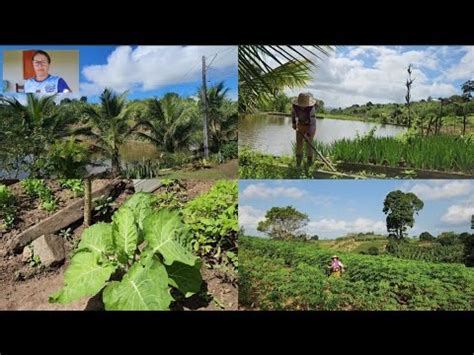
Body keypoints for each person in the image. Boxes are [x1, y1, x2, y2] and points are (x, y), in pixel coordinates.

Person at [291, 92, 317, 168]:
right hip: (300, 124)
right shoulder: (294, 106)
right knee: (299, 143)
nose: (302, 107)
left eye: (304, 105)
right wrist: (293, 123)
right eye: (301, 105)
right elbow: (293, 113)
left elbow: (312, 123)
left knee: (309, 144)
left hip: (310, 126)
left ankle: (309, 164)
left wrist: (308, 134)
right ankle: (298, 163)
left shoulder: (311, 109)